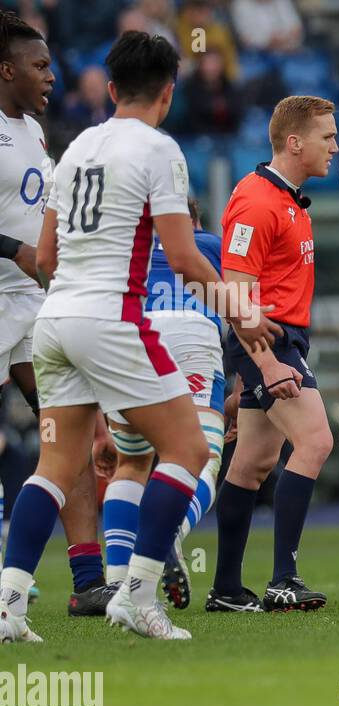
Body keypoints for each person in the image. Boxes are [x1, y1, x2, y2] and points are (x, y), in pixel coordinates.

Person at [0, 30, 275, 643]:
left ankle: (9, 605)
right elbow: (181, 256)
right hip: (111, 318)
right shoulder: (159, 151)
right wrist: (239, 311)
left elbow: (44, 255)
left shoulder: (73, 149)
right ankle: (138, 596)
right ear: (169, 94)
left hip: (53, 320)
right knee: (190, 450)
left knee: (55, 465)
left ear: (114, 87)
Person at [0, 11, 116, 617]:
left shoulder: (34, 131)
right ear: (6, 68)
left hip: (31, 303)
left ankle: (88, 580)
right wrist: (14, 250)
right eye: (40, 66)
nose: (53, 76)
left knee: (65, 433)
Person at [210, 95, 337, 612]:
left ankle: (225, 589)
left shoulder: (286, 198)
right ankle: (284, 578)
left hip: (279, 341)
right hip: (268, 340)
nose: (336, 147)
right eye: (327, 137)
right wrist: (262, 362)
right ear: (294, 142)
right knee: (316, 440)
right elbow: (233, 291)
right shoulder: (258, 201)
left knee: (253, 463)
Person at [101, 196, 227, 610]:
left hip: (131, 337)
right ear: (190, 220)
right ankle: (170, 530)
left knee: (132, 462)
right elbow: (242, 302)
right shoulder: (206, 243)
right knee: (204, 455)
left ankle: (117, 583)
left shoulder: (121, 250)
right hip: (190, 332)